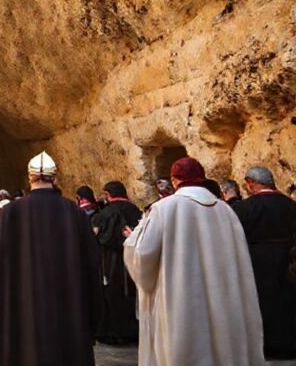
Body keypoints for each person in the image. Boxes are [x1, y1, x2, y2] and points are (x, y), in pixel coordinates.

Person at [124, 157, 265, 366]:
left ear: (174, 180)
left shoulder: (163, 209)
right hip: (223, 296)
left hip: (180, 297)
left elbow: (143, 255)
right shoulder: (225, 210)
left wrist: (132, 241)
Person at [0, 152, 101, 366]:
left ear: (29, 177)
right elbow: (91, 267)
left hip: (22, 306)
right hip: (67, 307)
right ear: (55, 177)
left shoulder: (9, 213)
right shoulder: (74, 213)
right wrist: (92, 316)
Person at [234, 166, 296, 359]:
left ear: (251, 182)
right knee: (287, 302)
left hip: (255, 262)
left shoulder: (244, 208)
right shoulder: (291, 205)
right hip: (288, 261)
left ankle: (265, 347)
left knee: (261, 304)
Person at [91, 181, 141, 345]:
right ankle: (134, 330)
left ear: (107, 195)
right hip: (134, 262)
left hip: (109, 263)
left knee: (111, 295)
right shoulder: (136, 211)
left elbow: (97, 238)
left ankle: (114, 333)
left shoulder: (104, 214)